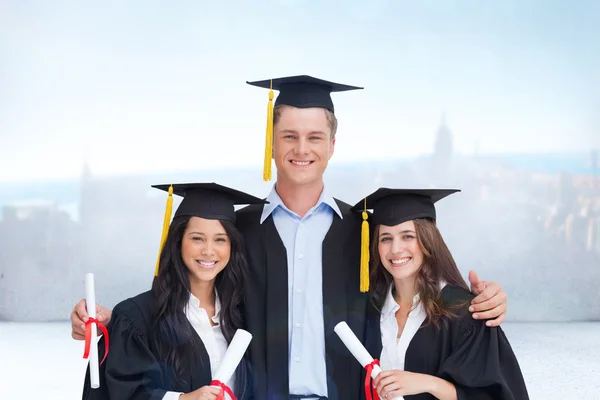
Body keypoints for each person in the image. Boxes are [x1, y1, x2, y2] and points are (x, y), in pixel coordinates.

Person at [73, 75, 509, 400]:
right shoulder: (233, 232)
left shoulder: (363, 232)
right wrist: (110, 320)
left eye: (315, 136)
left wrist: (482, 300)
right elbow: (190, 296)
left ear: (333, 144)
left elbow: (412, 284)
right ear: (273, 141)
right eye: (290, 136)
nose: (302, 148)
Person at [81, 183, 266, 400]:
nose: (208, 250)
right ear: (178, 242)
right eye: (197, 238)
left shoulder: (241, 315)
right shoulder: (137, 319)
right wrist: (181, 399)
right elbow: (120, 393)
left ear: (232, 247)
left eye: (220, 239)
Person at [354, 188, 528, 399]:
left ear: (428, 240)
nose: (396, 249)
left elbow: (494, 395)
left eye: (408, 236)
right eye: (386, 239)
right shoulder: (370, 310)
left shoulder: (464, 313)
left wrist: (429, 384)